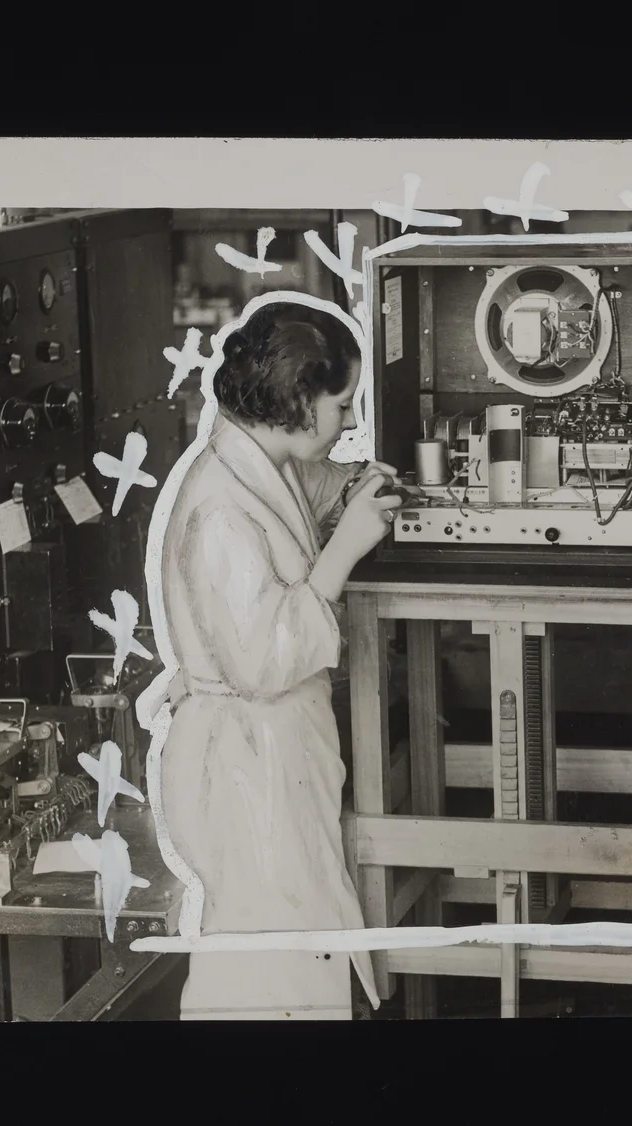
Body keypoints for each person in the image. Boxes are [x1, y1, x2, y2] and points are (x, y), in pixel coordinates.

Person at [152, 301, 403, 1021]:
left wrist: (355, 484)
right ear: (297, 399)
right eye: (343, 404)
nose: (351, 421)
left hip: (273, 755)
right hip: (244, 766)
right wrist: (345, 548)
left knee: (296, 958)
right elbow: (262, 658)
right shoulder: (218, 507)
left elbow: (304, 494)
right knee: (265, 973)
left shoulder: (260, 461)